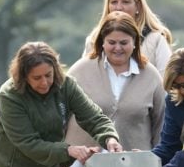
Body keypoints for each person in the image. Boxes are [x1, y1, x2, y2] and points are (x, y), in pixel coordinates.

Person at [66, 11, 165, 151]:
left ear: (135, 42)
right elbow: (59, 116)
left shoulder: (151, 76)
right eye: (111, 42)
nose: (117, 48)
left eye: (124, 43)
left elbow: (161, 125)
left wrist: (157, 161)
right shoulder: (79, 71)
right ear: (102, 42)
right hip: (83, 166)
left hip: (134, 166)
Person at [83, 0, 173, 76]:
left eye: (125, 2)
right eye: (114, 2)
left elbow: (166, 81)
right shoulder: (93, 40)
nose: (119, 7)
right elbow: (83, 77)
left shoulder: (156, 40)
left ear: (138, 6)